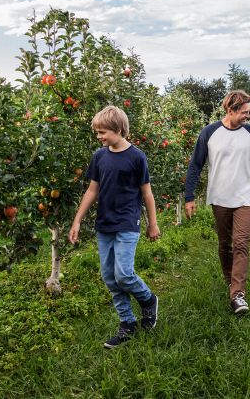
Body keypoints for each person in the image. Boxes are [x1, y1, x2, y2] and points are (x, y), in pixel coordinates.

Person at [68, 105, 161, 349]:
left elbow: (147, 193)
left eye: (103, 132)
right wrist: (77, 220)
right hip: (105, 224)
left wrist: (153, 223)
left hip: (128, 223)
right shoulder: (100, 156)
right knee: (110, 277)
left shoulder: (137, 157)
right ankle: (127, 323)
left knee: (124, 274)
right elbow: (92, 190)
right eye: (97, 132)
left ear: (119, 129)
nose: (99, 137)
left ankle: (148, 300)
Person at [184, 90, 250, 315]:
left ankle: (238, 294)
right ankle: (230, 280)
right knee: (225, 244)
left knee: (241, 242)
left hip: (245, 197)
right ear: (230, 110)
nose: (247, 117)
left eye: (248, 112)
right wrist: (189, 196)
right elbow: (195, 165)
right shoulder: (210, 132)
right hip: (219, 197)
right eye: (244, 112)